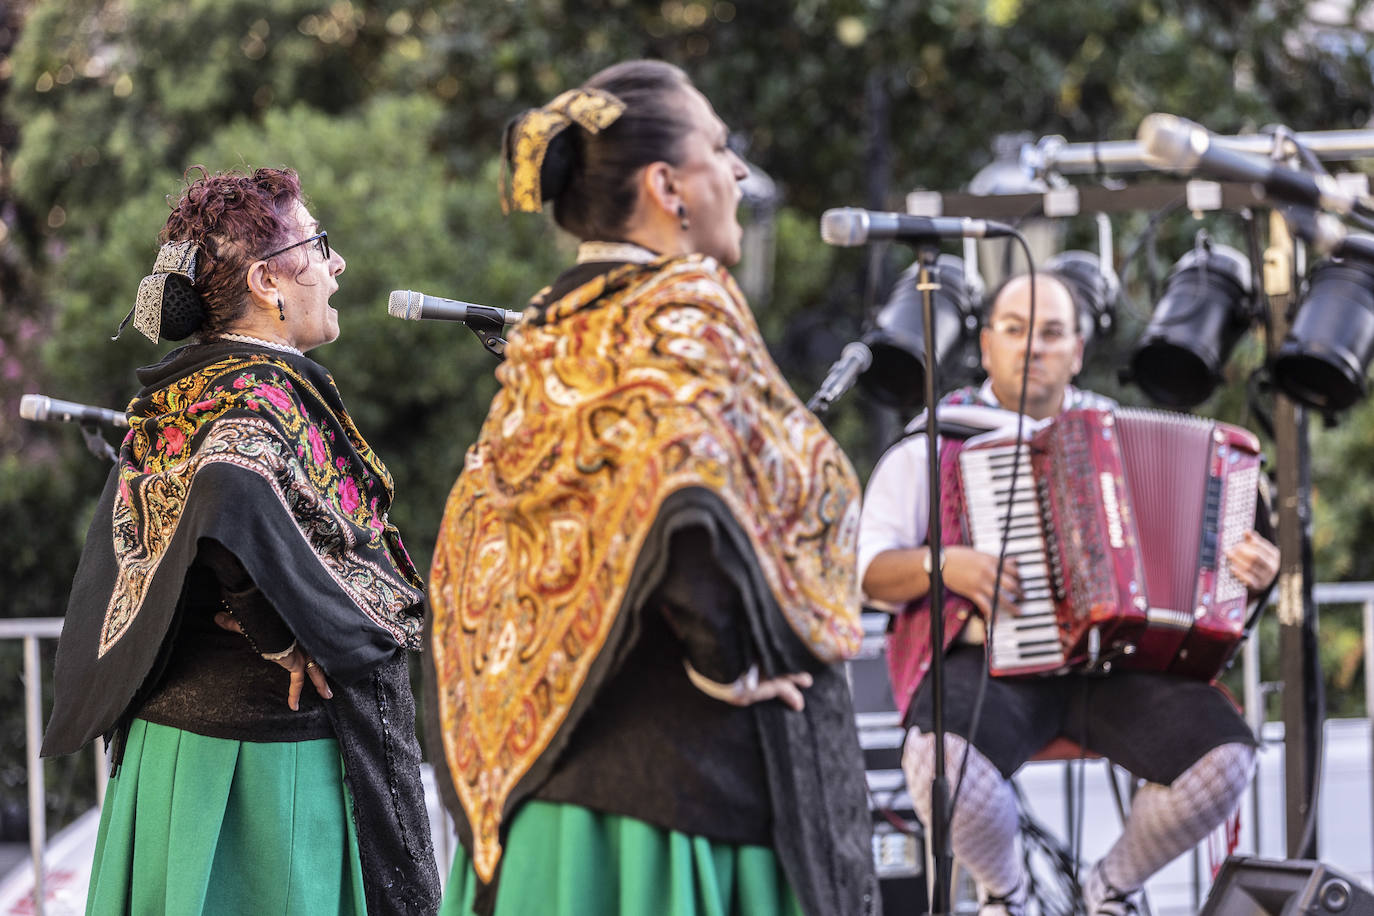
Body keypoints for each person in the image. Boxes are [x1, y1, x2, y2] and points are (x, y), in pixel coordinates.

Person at [426, 60, 878, 916]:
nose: (738, 172)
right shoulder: (678, 313)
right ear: (667, 185)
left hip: (543, 790)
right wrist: (733, 662)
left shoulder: (552, 329)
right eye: (719, 146)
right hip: (673, 800)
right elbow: (689, 503)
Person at [42, 167, 440, 916]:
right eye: (319, 246)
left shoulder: (180, 394)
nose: (336, 264)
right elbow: (228, 486)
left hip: (180, 754)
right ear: (267, 280)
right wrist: (274, 624)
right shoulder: (253, 392)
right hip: (258, 771)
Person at [857, 271, 1280, 916]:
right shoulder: (933, 444)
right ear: (987, 345)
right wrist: (946, 566)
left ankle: (1109, 891)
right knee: (937, 758)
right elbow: (870, 574)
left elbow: (1195, 571)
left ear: (1077, 350)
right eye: (1016, 330)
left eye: (1052, 333)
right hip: (989, 661)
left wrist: (1245, 572)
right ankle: (1010, 894)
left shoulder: (1114, 432)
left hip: (1112, 665)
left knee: (1224, 757)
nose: (1033, 347)